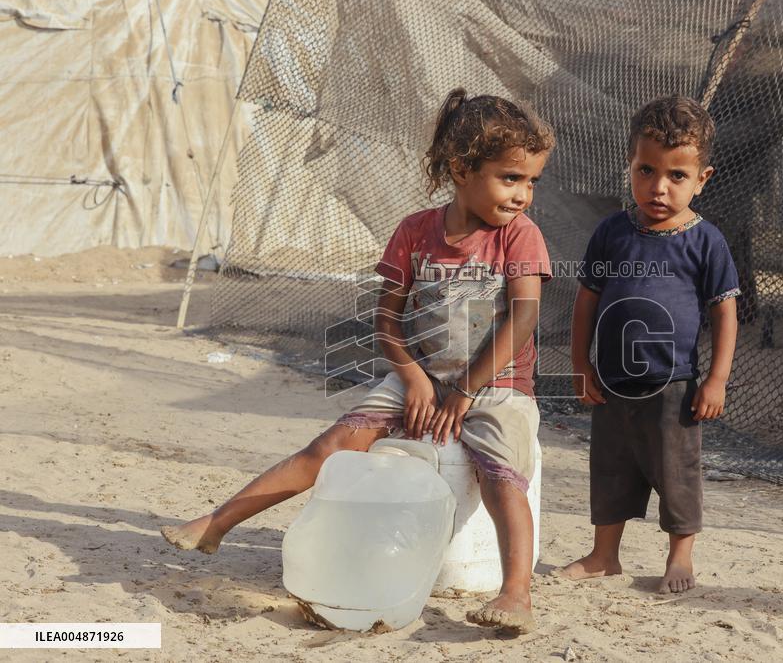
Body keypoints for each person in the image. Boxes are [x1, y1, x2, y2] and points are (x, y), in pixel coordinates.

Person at [161, 88, 554, 634]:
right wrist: (414, 378)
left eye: (532, 181)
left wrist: (465, 391)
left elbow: (522, 319)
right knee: (330, 446)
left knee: (502, 474)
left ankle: (515, 593)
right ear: (462, 169)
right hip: (421, 375)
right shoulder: (416, 232)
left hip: (497, 384)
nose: (523, 195)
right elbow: (387, 320)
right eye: (511, 178)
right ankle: (218, 522)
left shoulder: (519, 236)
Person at [556, 95, 739, 593]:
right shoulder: (612, 232)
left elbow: (724, 312)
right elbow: (586, 301)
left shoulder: (706, 241)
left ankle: (680, 557)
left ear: (702, 179)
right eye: (646, 170)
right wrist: (581, 364)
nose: (659, 187)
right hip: (612, 381)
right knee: (610, 466)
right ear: (630, 164)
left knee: (676, 472)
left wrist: (717, 379)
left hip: (673, 384)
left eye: (677, 175)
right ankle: (603, 555)